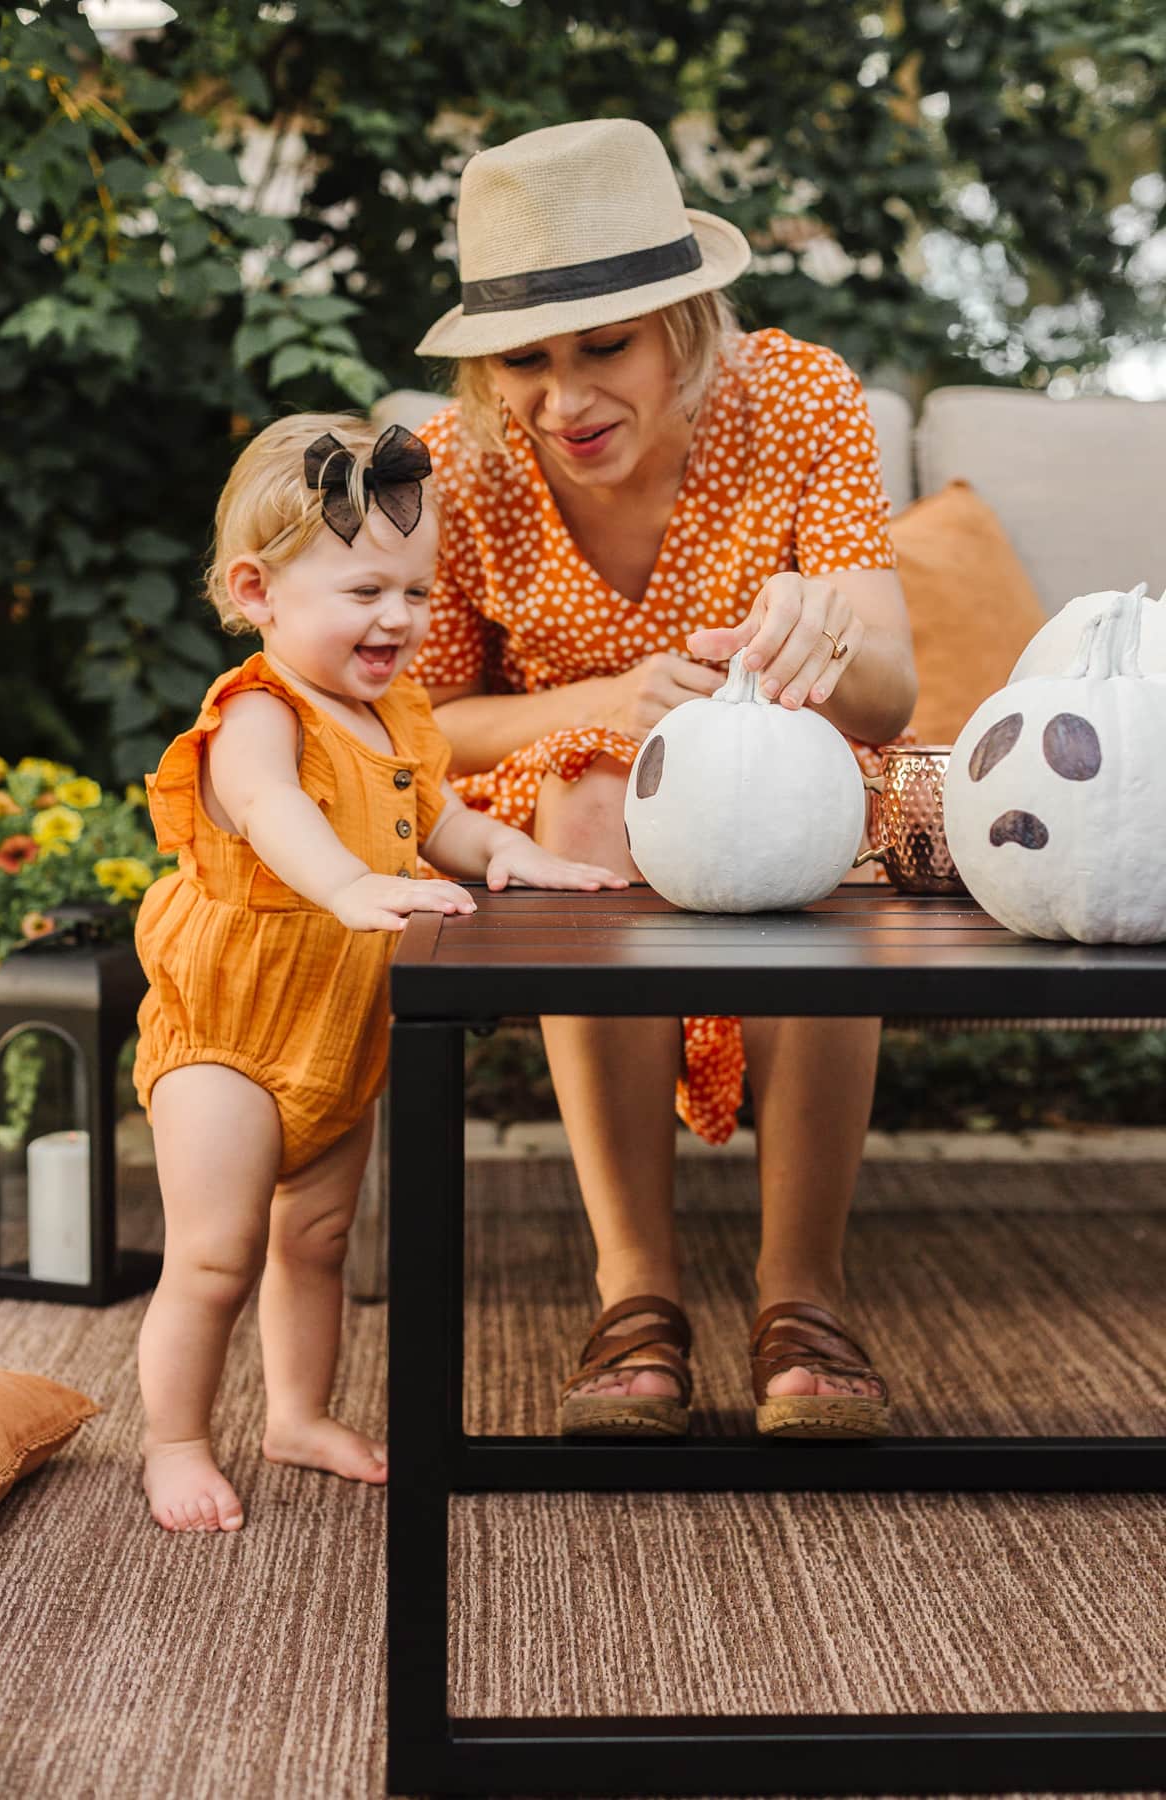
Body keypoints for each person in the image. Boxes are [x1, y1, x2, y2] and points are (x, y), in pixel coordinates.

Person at [410, 118, 918, 1440]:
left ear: (686, 320)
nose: (564, 401)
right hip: (568, 819)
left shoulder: (800, 397)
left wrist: (828, 630)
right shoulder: (457, 468)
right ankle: (635, 1294)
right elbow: (420, 730)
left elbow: (891, 700)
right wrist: (601, 704)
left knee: (827, 809)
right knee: (587, 791)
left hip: (787, 796)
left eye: (605, 349)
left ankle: (799, 1297)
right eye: (525, 360)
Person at [132, 412, 626, 1532]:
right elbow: (273, 809)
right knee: (215, 1257)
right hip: (232, 1037)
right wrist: (350, 886)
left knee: (314, 1244)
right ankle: (174, 1442)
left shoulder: (395, 715)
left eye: (416, 589)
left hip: (335, 1037)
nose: (398, 618)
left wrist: (514, 853)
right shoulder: (259, 713)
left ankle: (296, 1415)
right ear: (258, 593)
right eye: (364, 592)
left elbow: (440, 818)